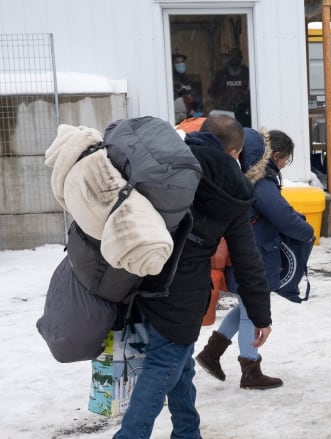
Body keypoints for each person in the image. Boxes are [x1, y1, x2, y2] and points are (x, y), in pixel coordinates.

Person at [114, 114, 273, 438]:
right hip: (182, 293)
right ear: (235, 152)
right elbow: (247, 259)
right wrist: (260, 315)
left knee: (180, 364)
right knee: (163, 366)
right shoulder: (233, 188)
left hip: (137, 274)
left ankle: (188, 432)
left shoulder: (170, 159)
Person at [196, 127, 314, 389]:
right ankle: (251, 369)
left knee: (244, 308)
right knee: (251, 310)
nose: (285, 164)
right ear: (277, 155)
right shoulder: (261, 181)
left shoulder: (250, 176)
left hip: (249, 251)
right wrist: (307, 231)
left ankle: (211, 353)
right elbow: (281, 215)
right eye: (286, 159)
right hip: (254, 254)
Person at [208, 47, 251, 126]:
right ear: (229, 58)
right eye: (232, 56)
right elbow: (212, 93)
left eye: (237, 56)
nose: (234, 58)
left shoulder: (247, 73)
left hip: (243, 112)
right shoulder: (221, 74)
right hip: (225, 112)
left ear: (241, 58)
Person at [172, 51, 202, 124]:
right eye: (177, 62)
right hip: (178, 117)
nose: (181, 64)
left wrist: (198, 110)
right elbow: (175, 100)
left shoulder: (187, 79)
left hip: (190, 117)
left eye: (182, 62)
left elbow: (195, 96)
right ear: (173, 64)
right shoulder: (170, 79)